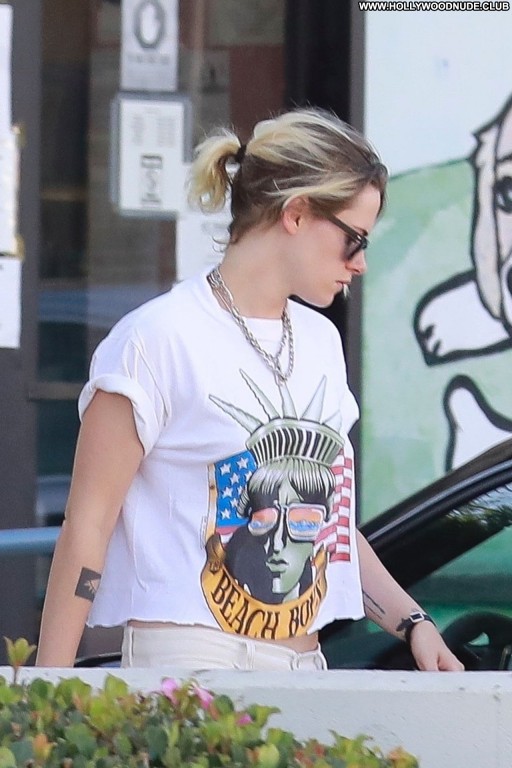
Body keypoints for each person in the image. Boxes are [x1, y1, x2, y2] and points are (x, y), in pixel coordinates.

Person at [36, 108, 464, 671]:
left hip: (306, 667)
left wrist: (412, 622)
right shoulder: (156, 338)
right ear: (297, 213)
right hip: (191, 665)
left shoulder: (320, 342)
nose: (360, 263)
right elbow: (88, 526)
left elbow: (329, 528)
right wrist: (46, 691)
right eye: (352, 239)